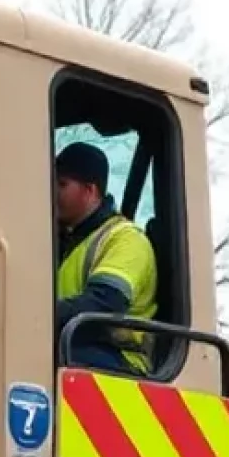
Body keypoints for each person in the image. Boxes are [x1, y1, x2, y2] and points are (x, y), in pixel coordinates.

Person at [54, 141, 158, 374]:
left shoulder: (126, 240)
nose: (53, 192)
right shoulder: (65, 240)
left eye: (62, 184)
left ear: (90, 191)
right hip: (75, 344)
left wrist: (38, 316)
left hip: (119, 359)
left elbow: (103, 307)